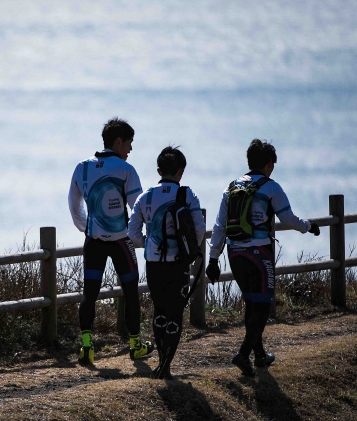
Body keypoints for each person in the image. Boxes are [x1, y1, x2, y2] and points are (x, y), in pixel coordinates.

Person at [206, 139, 320, 377]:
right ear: (269, 164)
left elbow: (219, 226)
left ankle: (259, 356)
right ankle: (243, 354)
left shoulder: (231, 187)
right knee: (263, 306)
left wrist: (213, 259)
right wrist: (308, 226)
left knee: (251, 302)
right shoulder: (271, 187)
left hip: (234, 252)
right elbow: (287, 218)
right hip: (259, 253)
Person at [68, 117, 154, 365]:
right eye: (129, 143)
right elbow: (138, 210)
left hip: (93, 241)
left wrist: (91, 228)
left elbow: (75, 208)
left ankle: (86, 347)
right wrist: (141, 237)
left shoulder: (81, 167)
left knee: (90, 293)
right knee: (130, 293)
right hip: (121, 241)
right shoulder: (126, 170)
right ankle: (136, 346)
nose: (130, 149)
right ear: (118, 142)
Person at [128, 146, 206, 379]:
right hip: (178, 262)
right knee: (175, 313)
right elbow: (199, 230)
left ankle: (161, 361)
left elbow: (132, 234)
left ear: (159, 170)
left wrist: (148, 242)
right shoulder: (187, 195)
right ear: (181, 171)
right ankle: (166, 365)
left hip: (153, 262)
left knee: (159, 311)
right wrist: (187, 249)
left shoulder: (145, 197)